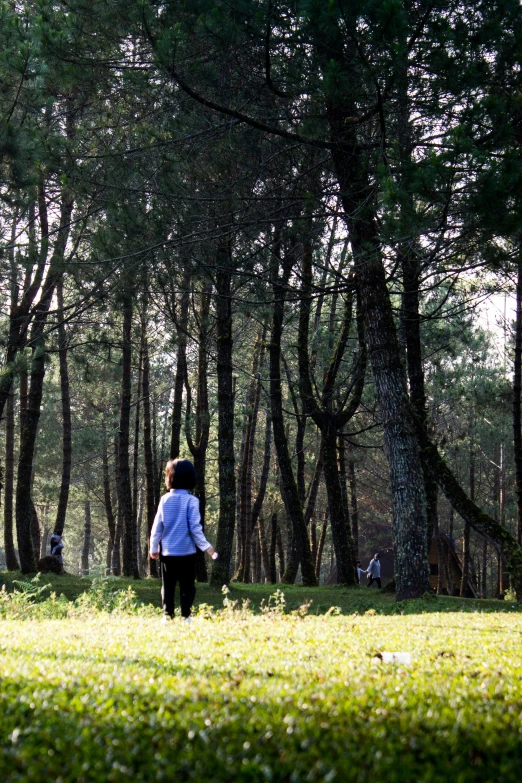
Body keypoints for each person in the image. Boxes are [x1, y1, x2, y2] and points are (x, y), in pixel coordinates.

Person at [150, 458, 217, 622]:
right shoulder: (192, 501)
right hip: (186, 552)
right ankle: (186, 616)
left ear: (169, 478)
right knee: (187, 586)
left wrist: (153, 547)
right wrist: (207, 548)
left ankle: (167, 616)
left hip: (167, 552)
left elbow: (157, 525)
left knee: (168, 586)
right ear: (191, 479)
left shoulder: (164, 500)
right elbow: (195, 528)